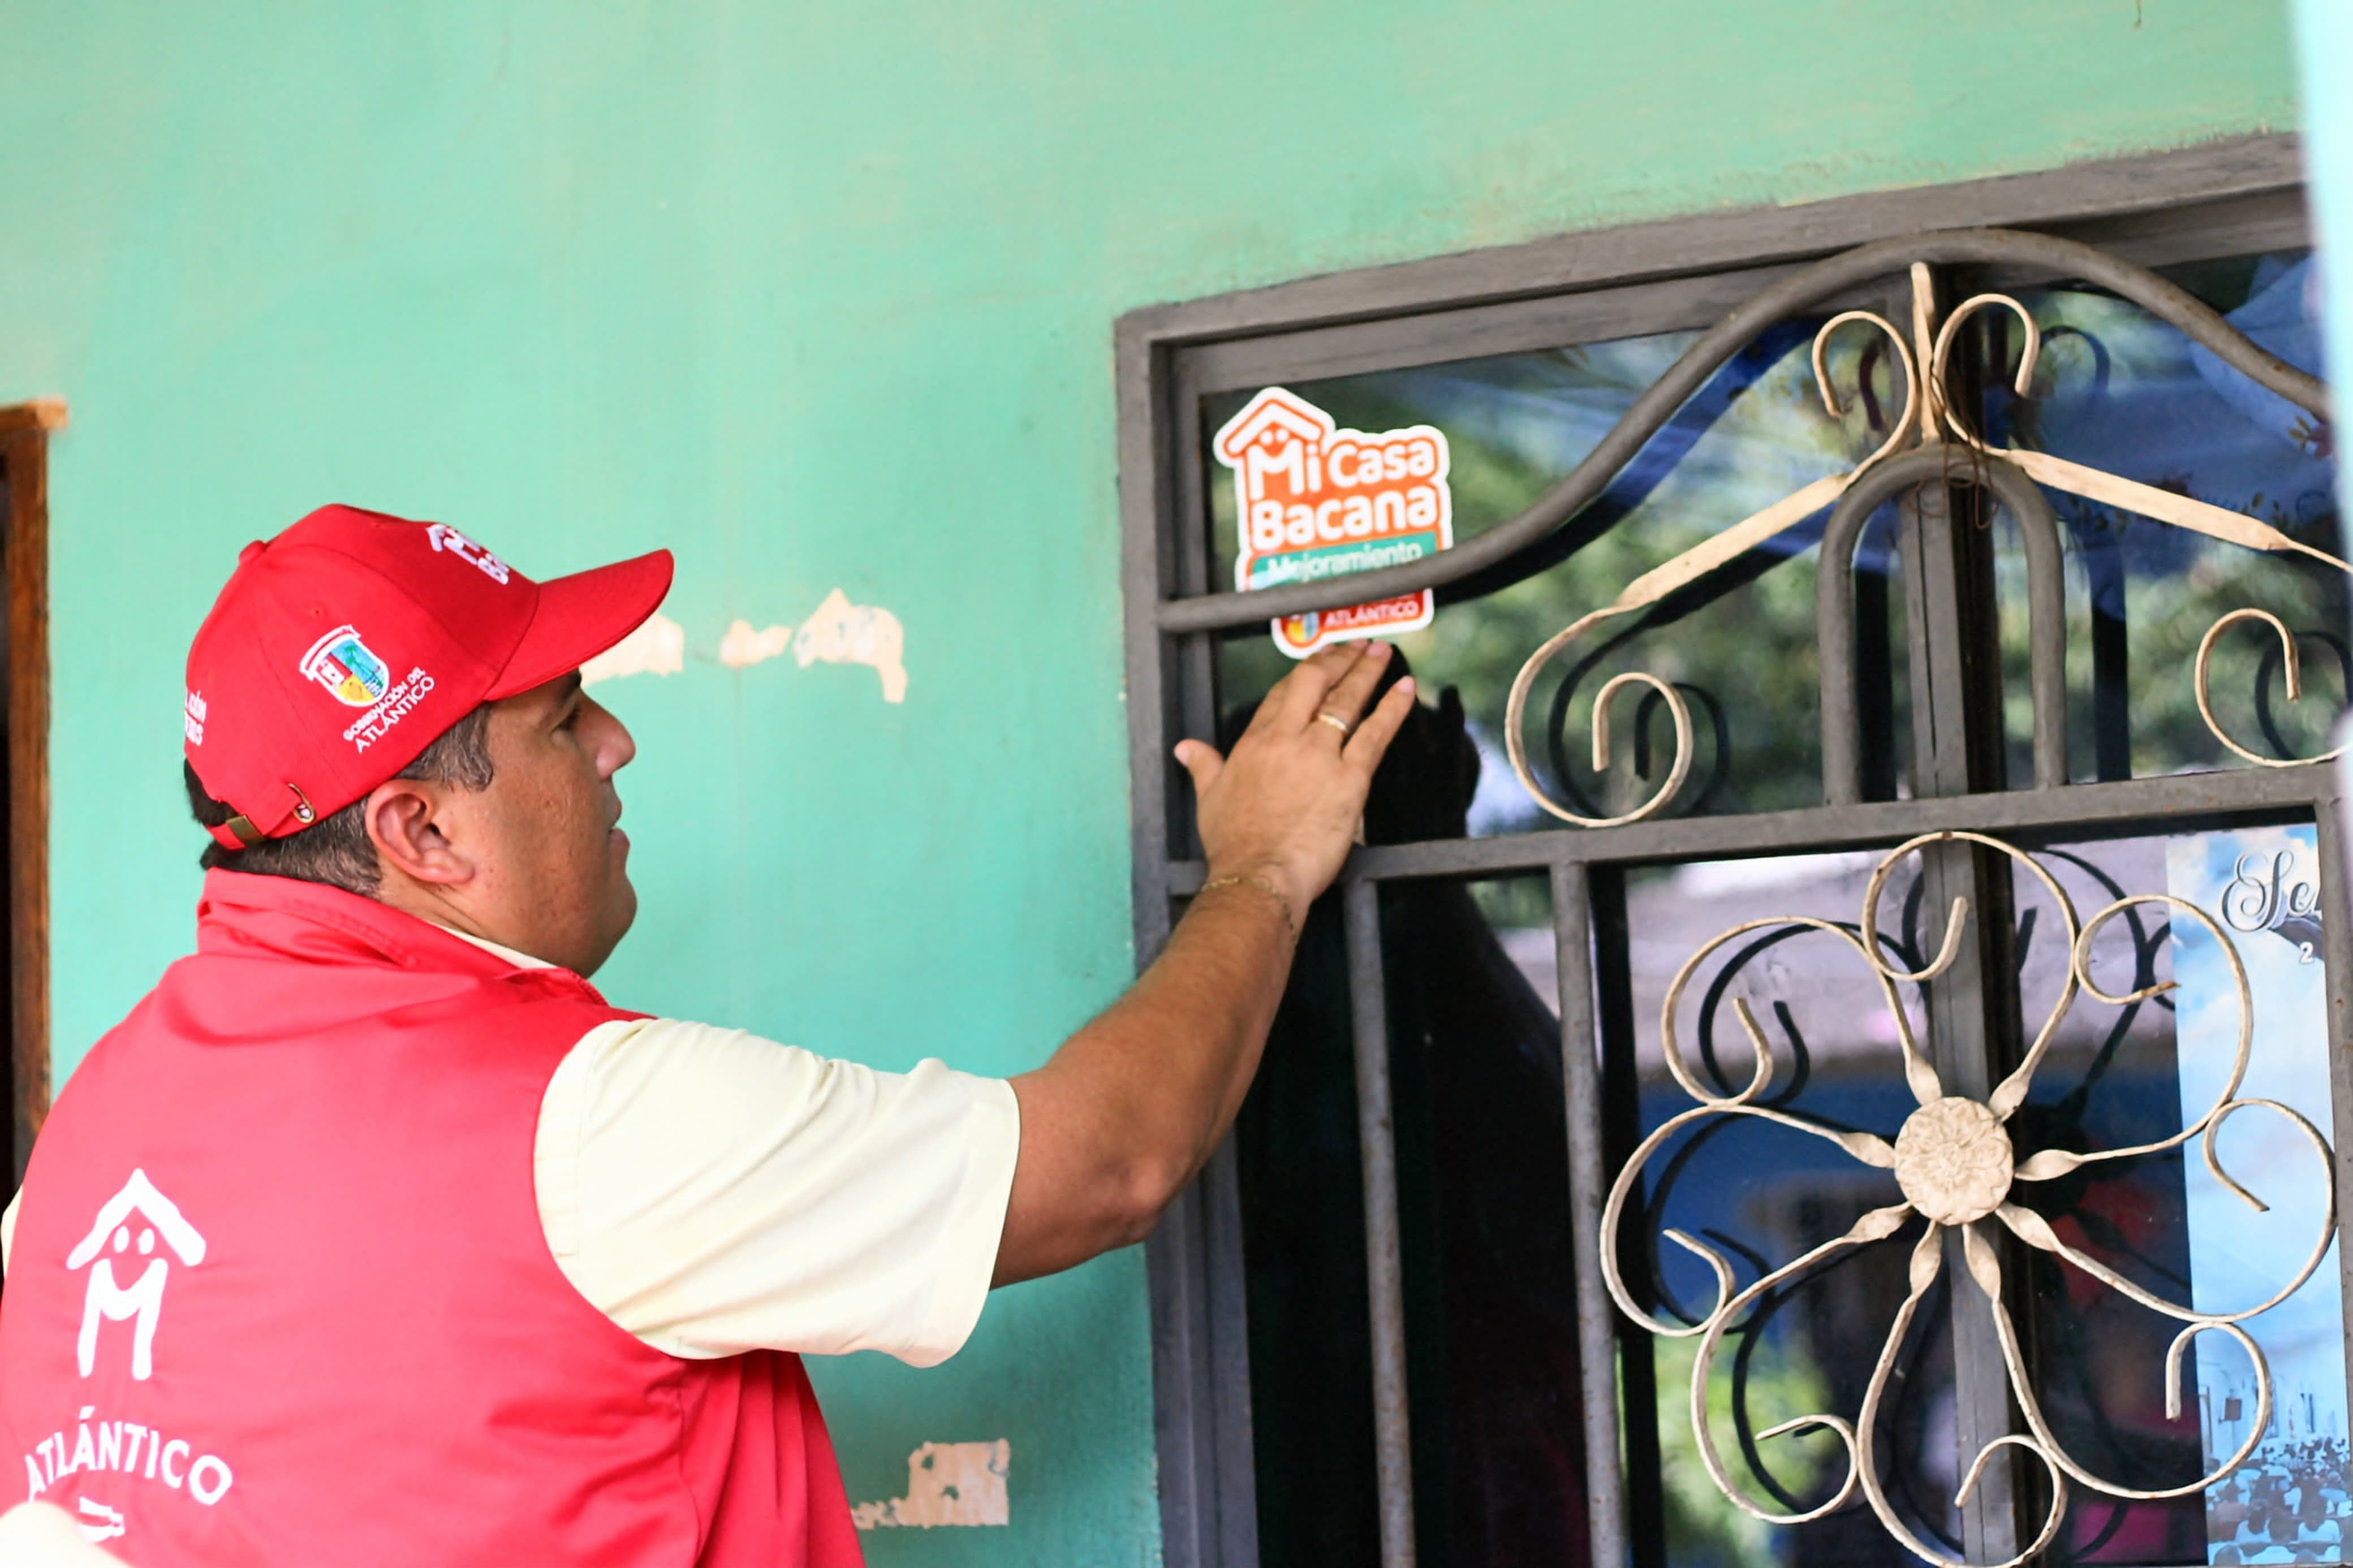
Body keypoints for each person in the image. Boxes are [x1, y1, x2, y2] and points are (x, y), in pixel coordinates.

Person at [0, 504, 1413, 1566]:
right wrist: (1262, 870)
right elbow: (1108, 1162)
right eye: (562, 720)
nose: (615, 743)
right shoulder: (584, 1124)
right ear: (420, 831)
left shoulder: (88, 1136)